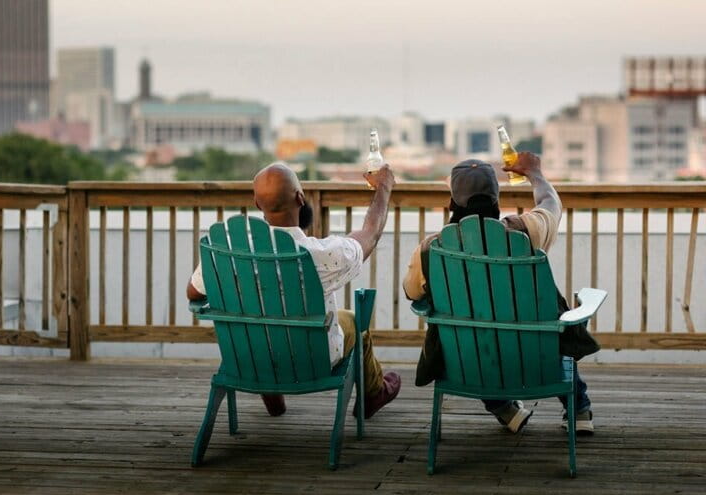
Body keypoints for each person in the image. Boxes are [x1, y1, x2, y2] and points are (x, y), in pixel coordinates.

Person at [402, 152, 598, 435]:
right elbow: (550, 203)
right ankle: (579, 409)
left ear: (453, 202)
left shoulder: (430, 250)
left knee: (470, 334)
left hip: (470, 364)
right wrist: (535, 173)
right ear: (496, 198)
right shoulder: (527, 231)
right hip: (536, 359)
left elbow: (413, 294)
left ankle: (504, 408)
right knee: (552, 323)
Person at [187, 162, 401, 419]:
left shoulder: (226, 250)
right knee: (355, 322)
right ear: (300, 198)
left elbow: (194, 293)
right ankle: (374, 393)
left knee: (262, 323)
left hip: (251, 357)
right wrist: (384, 187)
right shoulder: (321, 255)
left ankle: (274, 400)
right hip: (312, 358)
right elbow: (370, 233)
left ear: (258, 205)